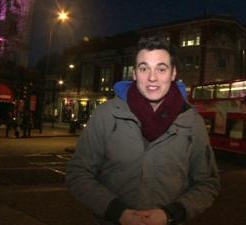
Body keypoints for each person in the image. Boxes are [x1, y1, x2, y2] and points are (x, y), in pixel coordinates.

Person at [66, 36, 220, 225]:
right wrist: (118, 212)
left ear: (173, 74)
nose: (152, 77)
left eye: (161, 69)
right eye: (144, 68)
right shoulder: (106, 115)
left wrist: (170, 214)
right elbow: (78, 174)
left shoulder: (192, 121)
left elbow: (208, 183)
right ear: (134, 74)